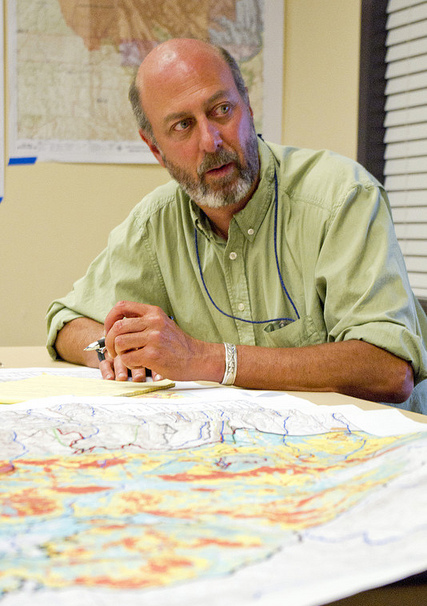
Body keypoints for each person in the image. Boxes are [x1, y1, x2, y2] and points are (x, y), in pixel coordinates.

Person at [47, 38, 427, 413]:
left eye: (222, 110)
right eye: (182, 126)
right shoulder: (153, 224)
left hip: (373, 453)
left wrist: (204, 358)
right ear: (154, 149)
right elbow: (65, 323)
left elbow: (388, 369)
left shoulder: (342, 197)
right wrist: (114, 348)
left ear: (247, 105)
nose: (210, 141)